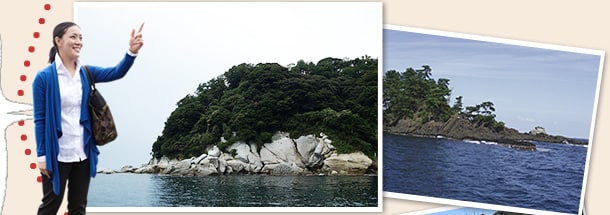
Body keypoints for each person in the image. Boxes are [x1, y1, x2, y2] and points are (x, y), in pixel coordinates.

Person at [32, 21, 144, 215]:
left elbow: (116, 72)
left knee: (78, 208)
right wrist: (42, 156)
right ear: (58, 41)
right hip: (56, 155)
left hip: (82, 153)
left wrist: (131, 52)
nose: (79, 42)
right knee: (49, 207)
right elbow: (40, 119)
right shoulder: (43, 78)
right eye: (73, 37)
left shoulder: (86, 72)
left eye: (81, 38)